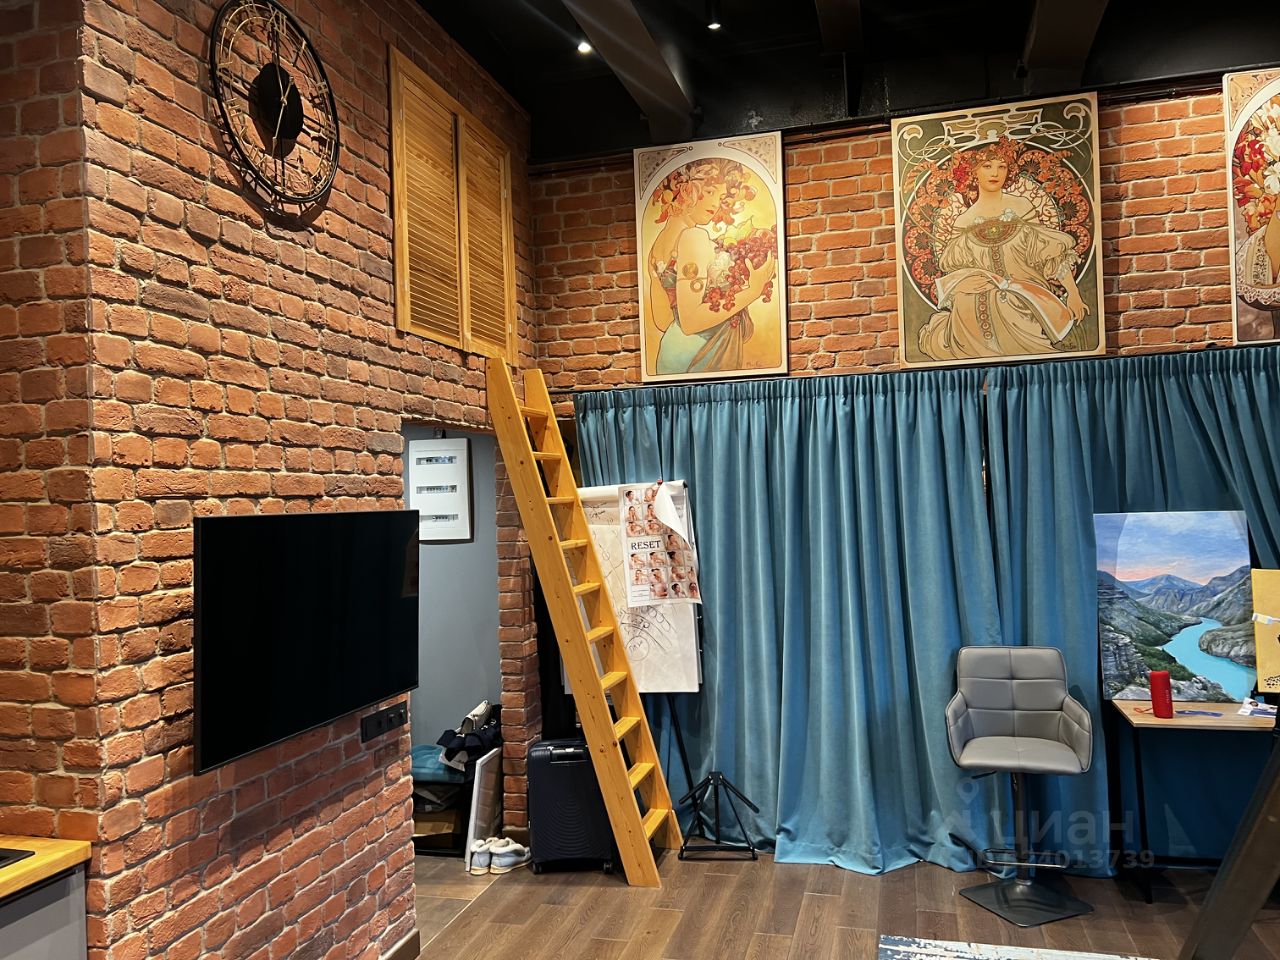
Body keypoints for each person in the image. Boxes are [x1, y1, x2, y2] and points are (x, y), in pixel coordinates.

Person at [918, 137, 1090, 361]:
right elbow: (957, 272)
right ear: (974, 173)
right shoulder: (964, 221)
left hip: (1024, 293)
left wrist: (1073, 294)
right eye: (987, 166)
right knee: (967, 303)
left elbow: (1051, 255)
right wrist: (963, 285)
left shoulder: (1022, 206)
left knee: (1007, 302)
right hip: (974, 297)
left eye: (1002, 166)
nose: (995, 173)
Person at [644, 160, 776, 377]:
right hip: (700, 357)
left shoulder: (657, 248)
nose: (716, 203)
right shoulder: (693, 237)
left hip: (675, 356)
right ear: (685, 190)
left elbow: (663, 320)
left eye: (720, 196)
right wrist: (753, 291)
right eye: (710, 191)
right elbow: (690, 322)